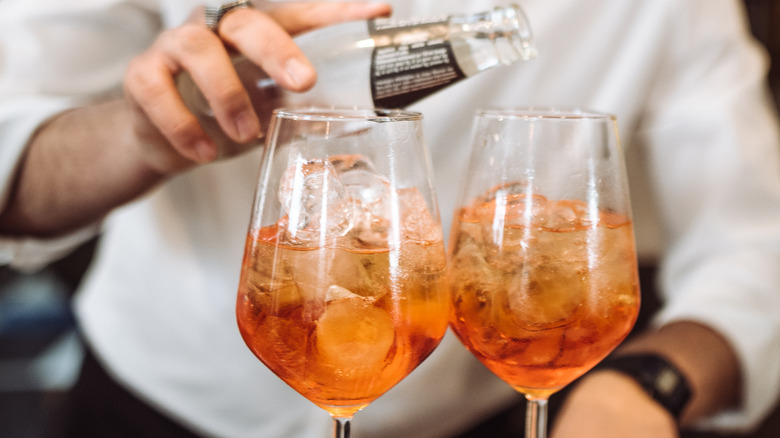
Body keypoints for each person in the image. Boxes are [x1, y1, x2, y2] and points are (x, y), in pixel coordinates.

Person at [1, 0, 779, 437]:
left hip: (467, 420)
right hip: (159, 407)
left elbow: (757, 243)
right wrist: (146, 135)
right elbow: (14, 165)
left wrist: (643, 384)